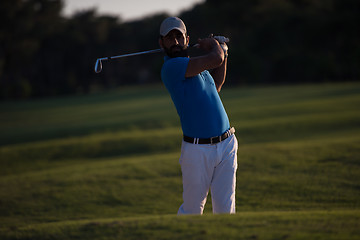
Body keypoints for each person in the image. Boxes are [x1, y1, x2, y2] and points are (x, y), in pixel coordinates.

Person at [158, 17, 238, 215]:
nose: (175, 42)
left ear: (187, 39)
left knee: (226, 212)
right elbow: (215, 59)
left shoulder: (195, 67)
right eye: (169, 38)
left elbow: (216, 85)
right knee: (192, 212)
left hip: (227, 144)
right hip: (197, 150)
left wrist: (224, 52)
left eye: (179, 36)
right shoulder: (172, 68)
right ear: (161, 43)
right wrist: (214, 46)